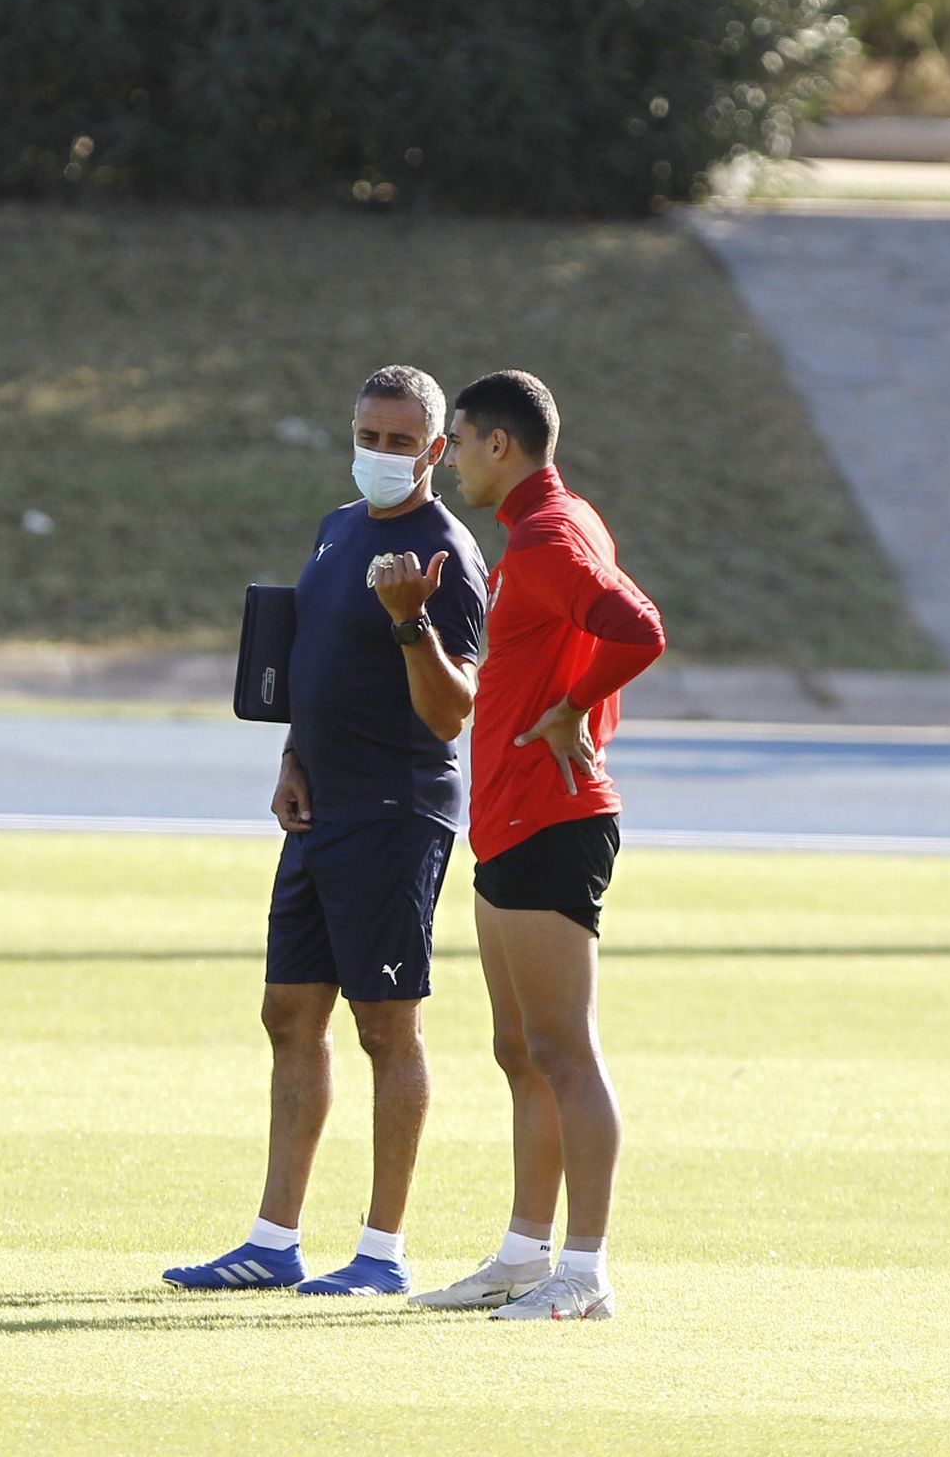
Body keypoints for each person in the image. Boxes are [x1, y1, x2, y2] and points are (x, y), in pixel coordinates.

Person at [163, 365, 488, 1297]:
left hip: (396, 812)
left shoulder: (444, 555)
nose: (380, 455)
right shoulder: (337, 528)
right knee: (288, 1014)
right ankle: (273, 1241)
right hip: (320, 806)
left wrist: (410, 622)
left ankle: (381, 1253)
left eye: (400, 442)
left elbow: (450, 713)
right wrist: (293, 757)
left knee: (387, 1027)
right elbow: (314, 656)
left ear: (435, 449)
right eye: (367, 436)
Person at [410, 369, 664, 1321]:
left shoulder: (552, 536)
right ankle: (524, 1254)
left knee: (565, 1050)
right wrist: (569, 699)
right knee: (519, 1047)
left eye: (461, 441)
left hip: (556, 817)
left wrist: (568, 710)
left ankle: (586, 1271)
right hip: (512, 816)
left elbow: (640, 627)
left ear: (499, 446)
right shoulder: (549, 524)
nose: (454, 459)